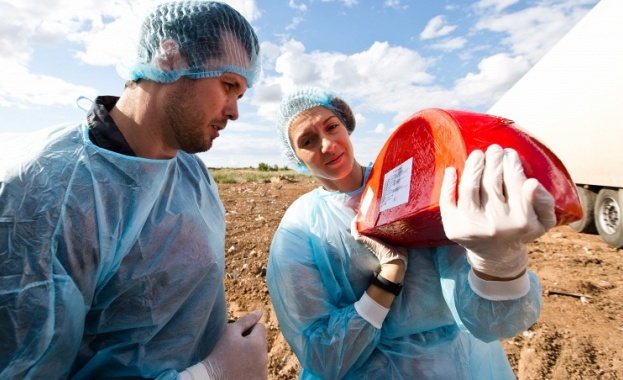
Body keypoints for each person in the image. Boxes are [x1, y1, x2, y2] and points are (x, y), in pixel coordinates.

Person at [0, 2, 268, 379]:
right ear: (170, 59)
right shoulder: (50, 192)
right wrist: (210, 374)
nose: (235, 111)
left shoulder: (193, 173)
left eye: (241, 94)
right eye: (228, 86)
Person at [266, 86, 556, 379]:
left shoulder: (409, 183)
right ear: (295, 156)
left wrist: (499, 263)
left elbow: (492, 322)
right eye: (308, 141)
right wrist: (389, 276)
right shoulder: (301, 229)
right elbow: (323, 354)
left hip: (463, 364)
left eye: (332, 127)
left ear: (346, 126)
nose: (327, 144)